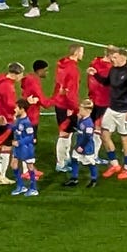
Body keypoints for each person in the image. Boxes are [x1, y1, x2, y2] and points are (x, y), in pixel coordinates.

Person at [100, 46, 127, 180]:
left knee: (125, 140)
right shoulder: (113, 69)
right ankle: (115, 164)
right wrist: (94, 74)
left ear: (123, 57)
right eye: (112, 57)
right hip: (112, 109)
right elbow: (106, 83)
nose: (112, 59)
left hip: (124, 111)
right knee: (104, 135)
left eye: (115, 57)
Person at [51, 45, 83, 173]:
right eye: (81, 52)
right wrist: (73, 107)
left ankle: (66, 157)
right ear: (76, 52)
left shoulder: (62, 65)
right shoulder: (73, 69)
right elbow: (71, 91)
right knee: (64, 134)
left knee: (67, 133)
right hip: (66, 105)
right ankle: (61, 163)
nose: (82, 55)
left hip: (59, 102)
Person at [0, 63, 19, 186]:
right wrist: (19, 109)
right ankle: (2, 176)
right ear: (15, 74)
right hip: (5, 120)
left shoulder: (0, 82)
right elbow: (10, 104)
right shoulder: (8, 86)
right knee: (6, 148)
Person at [64, 100, 100, 187]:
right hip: (79, 144)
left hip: (86, 147)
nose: (79, 110)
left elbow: (88, 137)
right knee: (74, 158)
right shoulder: (82, 119)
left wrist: (82, 146)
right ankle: (74, 178)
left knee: (90, 162)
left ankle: (94, 180)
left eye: (81, 109)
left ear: (88, 111)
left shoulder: (88, 123)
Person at [10, 104, 39, 197]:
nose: (14, 109)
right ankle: (21, 186)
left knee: (30, 167)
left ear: (22, 109)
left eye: (16, 107)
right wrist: (6, 125)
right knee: (13, 164)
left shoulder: (27, 122)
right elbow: (16, 129)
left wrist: (19, 142)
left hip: (26, 148)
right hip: (18, 148)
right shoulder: (19, 119)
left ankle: (34, 188)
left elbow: (31, 137)